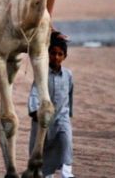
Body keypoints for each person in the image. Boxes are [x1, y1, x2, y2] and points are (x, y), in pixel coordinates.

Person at [28, 31, 74, 178]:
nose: (56, 57)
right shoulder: (42, 73)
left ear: (64, 56)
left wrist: (69, 113)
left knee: (65, 140)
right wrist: (34, 111)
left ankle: (67, 172)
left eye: (60, 54)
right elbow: (35, 91)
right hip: (43, 118)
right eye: (53, 53)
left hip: (62, 117)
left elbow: (70, 95)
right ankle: (46, 174)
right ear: (48, 54)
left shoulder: (68, 75)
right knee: (43, 147)